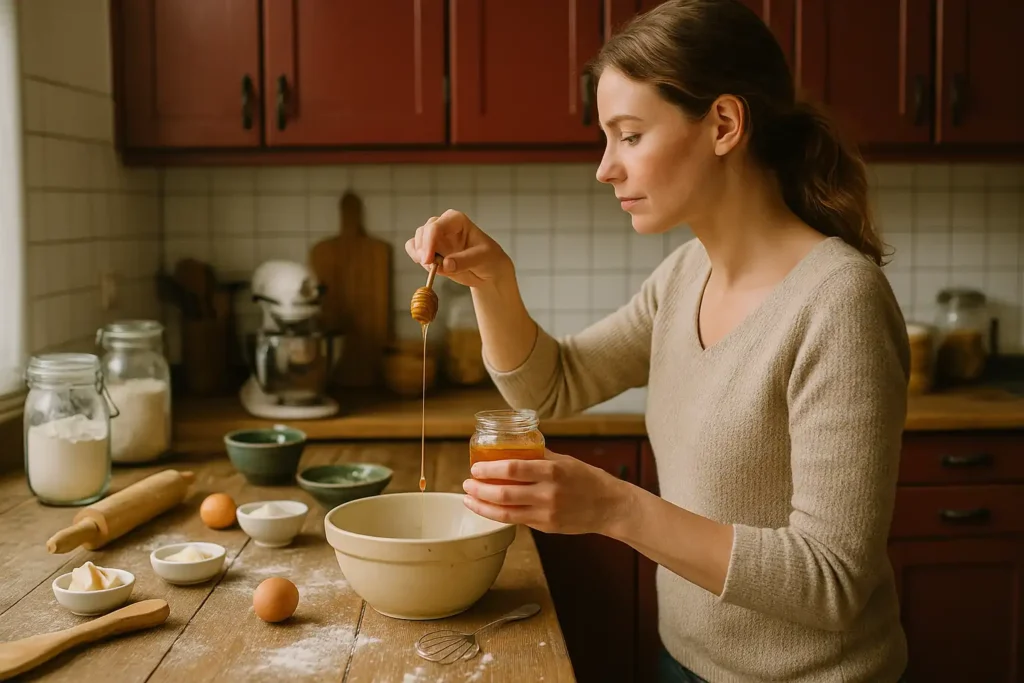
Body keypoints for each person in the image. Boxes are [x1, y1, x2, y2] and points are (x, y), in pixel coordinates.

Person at [406, 1, 909, 681]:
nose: (605, 167)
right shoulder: (685, 275)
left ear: (724, 125)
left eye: (630, 135)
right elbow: (551, 386)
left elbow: (833, 582)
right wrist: (492, 279)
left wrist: (615, 507)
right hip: (683, 662)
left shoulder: (838, 302)